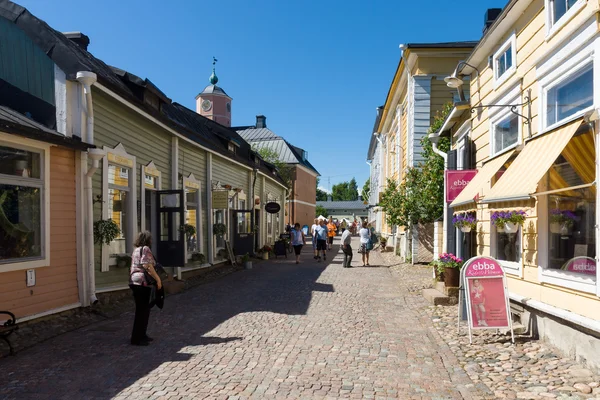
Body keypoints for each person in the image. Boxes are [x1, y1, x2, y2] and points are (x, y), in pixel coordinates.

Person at [129, 231, 162, 346]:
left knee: (143, 310)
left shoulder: (136, 250)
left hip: (134, 281)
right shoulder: (146, 249)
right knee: (142, 311)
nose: (151, 241)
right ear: (147, 240)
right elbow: (147, 266)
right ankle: (137, 338)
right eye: (150, 239)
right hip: (143, 283)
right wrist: (158, 280)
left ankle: (142, 335)